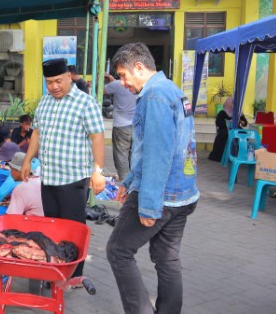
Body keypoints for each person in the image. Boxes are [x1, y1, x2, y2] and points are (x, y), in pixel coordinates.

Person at [106, 42, 200, 314]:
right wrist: (127, 181)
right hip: (182, 195)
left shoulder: (154, 96)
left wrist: (148, 205)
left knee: (117, 251)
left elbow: (159, 154)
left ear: (139, 67)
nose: (122, 83)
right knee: (167, 259)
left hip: (161, 196)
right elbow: (156, 148)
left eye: (123, 75)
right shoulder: (172, 90)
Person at [20, 57, 105, 279]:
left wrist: (98, 170)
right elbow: (36, 132)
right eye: (49, 82)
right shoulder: (45, 102)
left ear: (69, 76)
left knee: (73, 229)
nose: (54, 87)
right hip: (48, 178)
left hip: (73, 180)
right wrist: (28, 159)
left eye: (58, 81)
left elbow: (97, 137)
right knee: (53, 227)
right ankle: (56, 269)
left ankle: (75, 275)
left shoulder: (86, 103)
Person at [104, 73, 138, 180]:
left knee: (121, 153)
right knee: (134, 152)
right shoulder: (138, 83)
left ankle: (124, 179)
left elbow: (102, 90)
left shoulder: (118, 84)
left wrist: (111, 81)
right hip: (136, 123)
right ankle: (133, 178)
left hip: (121, 125)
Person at [208, 96, 248, 162]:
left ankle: (241, 155)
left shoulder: (239, 113)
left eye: (234, 104)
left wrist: (242, 122)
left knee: (244, 136)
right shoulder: (222, 113)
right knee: (224, 135)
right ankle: (223, 157)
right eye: (232, 103)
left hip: (236, 130)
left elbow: (245, 123)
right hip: (224, 130)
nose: (233, 105)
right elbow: (218, 123)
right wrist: (228, 122)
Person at [6, 152, 44, 217]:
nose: (11, 172)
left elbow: (12, 218)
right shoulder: (40, 179)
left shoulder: (21, 188)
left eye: (12, 169)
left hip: (35, 224)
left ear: (20, 170)